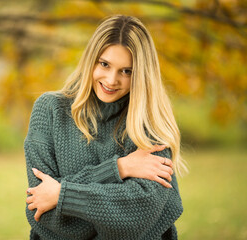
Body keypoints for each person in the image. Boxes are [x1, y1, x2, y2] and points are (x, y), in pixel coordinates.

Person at [24, 15, 187, 240]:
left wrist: (62, 195)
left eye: (126, 71)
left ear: (141, 73)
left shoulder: (149, 123)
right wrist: (119, 168)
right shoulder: (50, 110)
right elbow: (43, 212)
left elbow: (137, 219)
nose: (111, 80)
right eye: (104, 64)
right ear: (91, 60)